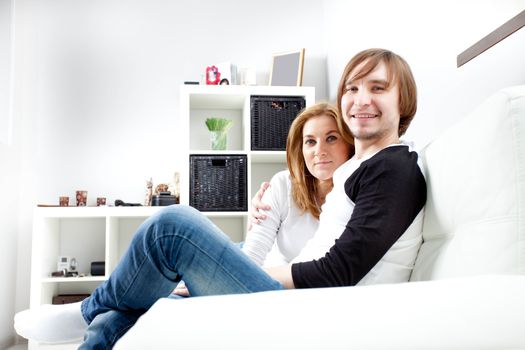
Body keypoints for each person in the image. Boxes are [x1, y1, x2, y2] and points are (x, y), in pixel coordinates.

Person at [14, 48, 427, 349]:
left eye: (378, 88)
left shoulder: (395, 168)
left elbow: (339, 270)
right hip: (298, 297)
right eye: (352, 88)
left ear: (402, 100)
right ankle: (94, 321)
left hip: (306, 309)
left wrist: (212, 277)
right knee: (128, 311)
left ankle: (83, 310)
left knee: (173, 226)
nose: (361, 99)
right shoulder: (357, 168)